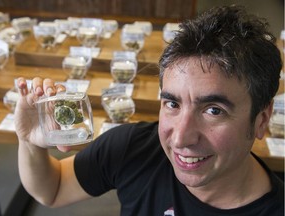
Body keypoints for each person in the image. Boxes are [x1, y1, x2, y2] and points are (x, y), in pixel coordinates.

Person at [15, 5, 283, 216]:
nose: (179, 138)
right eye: (172, 104)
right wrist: (29, 143)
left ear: (261, 120)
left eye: (213, 110)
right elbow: (53, 189)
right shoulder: (134, 148)